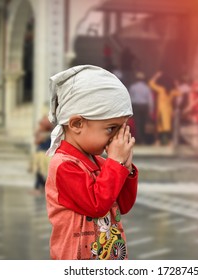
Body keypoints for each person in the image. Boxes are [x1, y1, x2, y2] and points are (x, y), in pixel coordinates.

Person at [45, 65, 138, 260]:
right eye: (111, 128)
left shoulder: (101, 163)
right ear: (77, 124)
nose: (116, 138)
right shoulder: (63, 165)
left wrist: (126, 169)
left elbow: (124, 204)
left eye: (122, 129)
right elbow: (96, 205)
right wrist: (114, 163)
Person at [149, 71, 180, 146]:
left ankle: (158, 141)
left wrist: (156, 76)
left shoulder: (161, 90)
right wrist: (176, 84)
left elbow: (151, 84)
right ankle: (169, 142)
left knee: (159, 127)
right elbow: (179, 92)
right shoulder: (172, 92)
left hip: (161, 111)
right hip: (168, 112)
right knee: (168, 127)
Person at [30, 115, 54, 195]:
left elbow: (37, 141)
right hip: (40, 154)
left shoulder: (49, 134)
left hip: (45, 155)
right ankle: (41, 187)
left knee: (42, 172)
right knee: (39, 172)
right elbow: (36, 140)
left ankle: (40, 187)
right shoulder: (44, 133)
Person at [128, 71, 154, 145]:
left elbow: (130, 98)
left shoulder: (133, 87)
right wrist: (151, 110)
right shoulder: (146, 87)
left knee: (137, 123)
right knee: (143, 123)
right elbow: (150, 99)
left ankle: (137, 139)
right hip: (144, 106)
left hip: (136, 106)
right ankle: (143, 139)